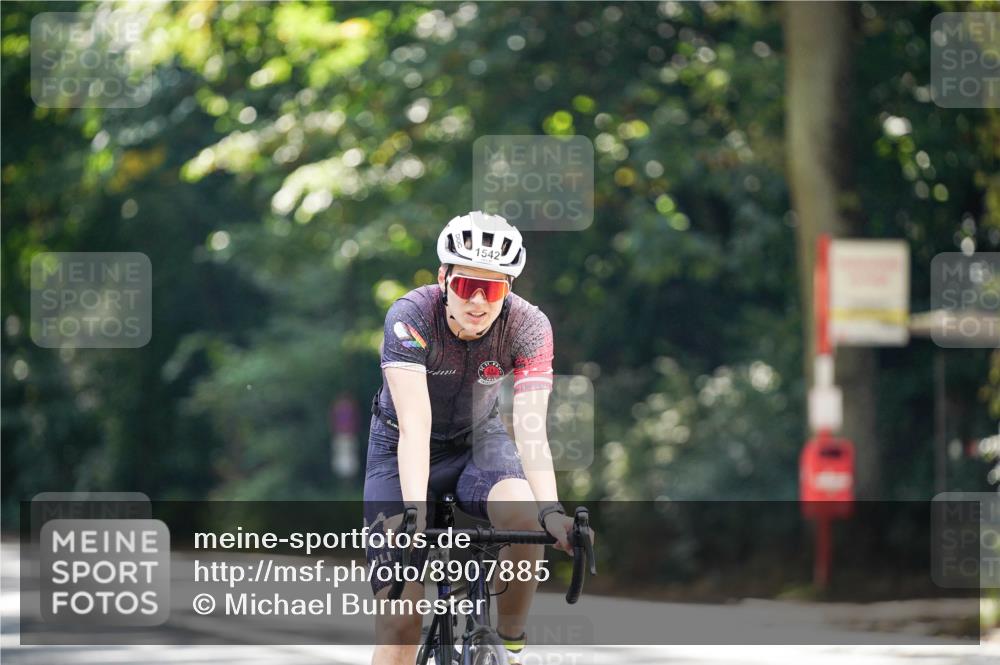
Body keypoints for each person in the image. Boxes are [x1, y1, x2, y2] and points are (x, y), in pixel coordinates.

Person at [364, 211, 575, 665]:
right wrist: (415, 518)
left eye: (493, 288)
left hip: (479, 443)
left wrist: (553, 511)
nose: (478, 300)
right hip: (402, 446)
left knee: (525, 515)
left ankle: (510, 642)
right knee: (401, 624)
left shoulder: (528, 326)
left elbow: (532, 428)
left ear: (509, 290)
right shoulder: (410, 316)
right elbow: (415, 425)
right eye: (466, 286)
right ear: (443, 279)